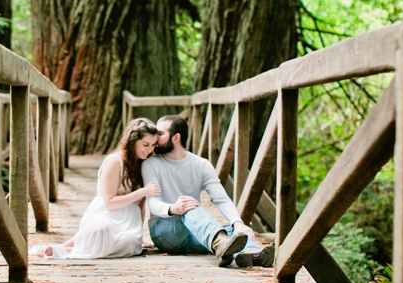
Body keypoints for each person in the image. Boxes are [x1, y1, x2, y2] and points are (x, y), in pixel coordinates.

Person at [142, 114, 274, 268]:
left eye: (160, 134)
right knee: (190, 205)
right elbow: (153, 204)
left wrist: (238, 224)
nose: (155, 138)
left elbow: (222, 199)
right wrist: (173, 208)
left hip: (195, 231)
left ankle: (252, 254)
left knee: (234, 231)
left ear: (175, 138)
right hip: (164, 231)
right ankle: (220, 242)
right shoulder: (150, 164)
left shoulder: (201, 164)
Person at [31, 118, 161, 259]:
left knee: (130, 243)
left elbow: (140, 205)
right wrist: (142, 191)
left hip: (129, 221)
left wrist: (139, 237)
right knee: (103, 229)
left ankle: (67, 249)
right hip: (106, 214)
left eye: (153, 145)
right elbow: (109, 203)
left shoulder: (145, 164)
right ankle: (63, 249)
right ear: (132, 142)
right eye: (145, 144)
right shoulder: (114, 162)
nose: (149, 150)